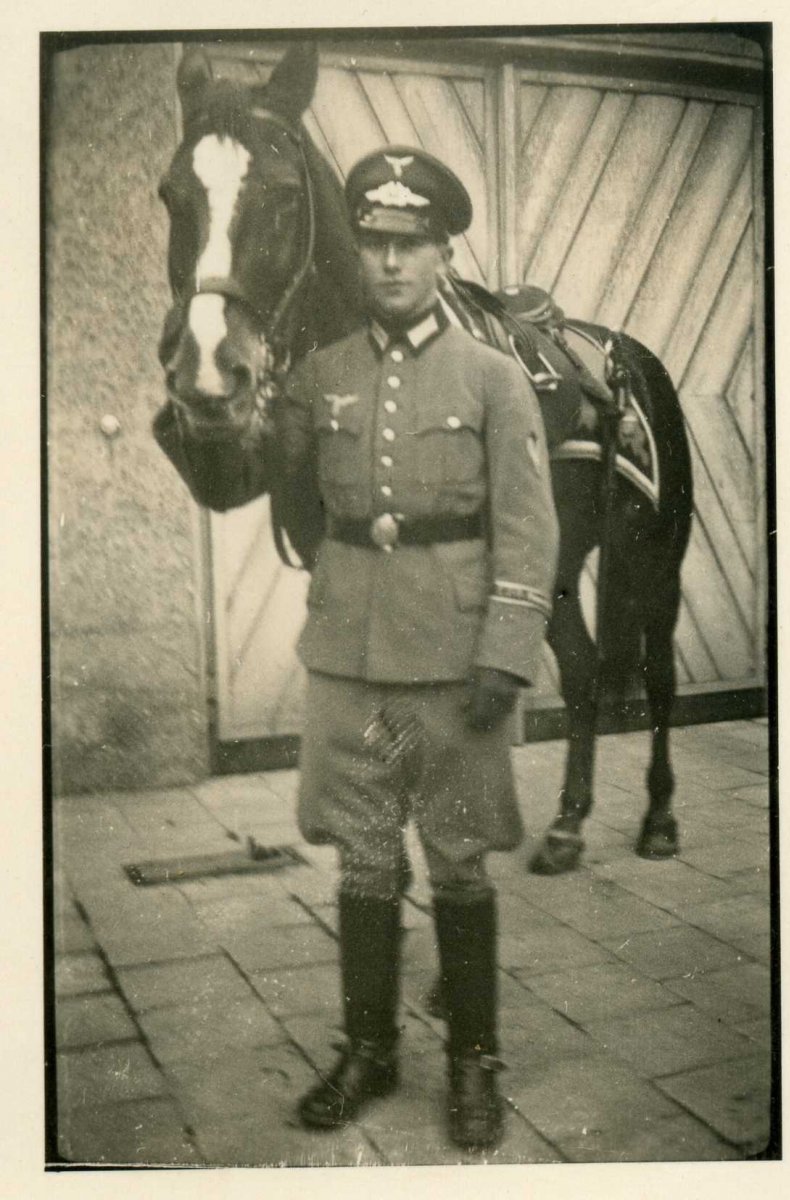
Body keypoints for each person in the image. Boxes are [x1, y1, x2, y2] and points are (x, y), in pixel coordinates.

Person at [155, 145, 558, 1152]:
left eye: (408, 244)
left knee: (459, 866)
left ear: (440, 249)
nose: (387, 263)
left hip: (457, 665)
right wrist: (199, 402)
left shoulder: (495, 378)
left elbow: (528, 528)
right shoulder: (318, 375)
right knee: (365, 863)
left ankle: (474, 1061)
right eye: (373, 242)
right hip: (347, 664)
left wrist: (505, 655)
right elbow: (238, 477)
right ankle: (370, 1050)